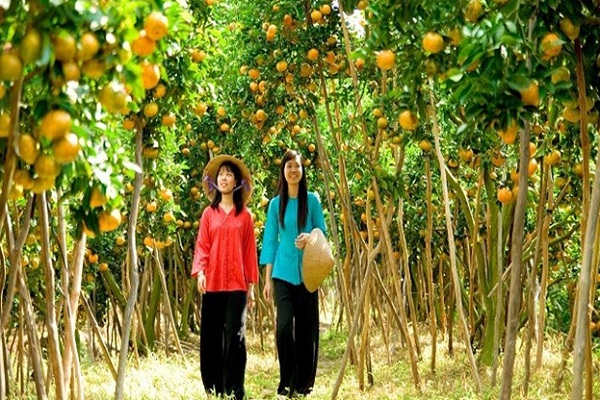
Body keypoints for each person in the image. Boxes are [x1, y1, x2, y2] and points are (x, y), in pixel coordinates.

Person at [260, 149, 327, 397]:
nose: (293, 171)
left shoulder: (312, 200)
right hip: (283, 273)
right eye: (289, 167)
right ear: (283, 171)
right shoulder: (276, 204)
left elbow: (323, 232)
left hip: (309, 272)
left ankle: (302, 384)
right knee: (284, 326)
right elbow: (270, 242)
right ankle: (286, 379)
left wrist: (310, 237)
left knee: (307, 329)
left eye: (297, 166)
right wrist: (267, 279)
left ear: (302, 170)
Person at [191, 155, 258, 400]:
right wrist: (200, 272)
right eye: (221, 174)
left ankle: (235, 390)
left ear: (237, 182)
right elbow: (203, 245)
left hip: (238, 284)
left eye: (229, 174)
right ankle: (214, 387)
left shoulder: (246, 216)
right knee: (211, 335)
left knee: (236, 335)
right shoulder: (209, 214)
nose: (224, 177)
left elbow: (250, 252)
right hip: (213, 282)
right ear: (215, 181)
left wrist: (251, 286)